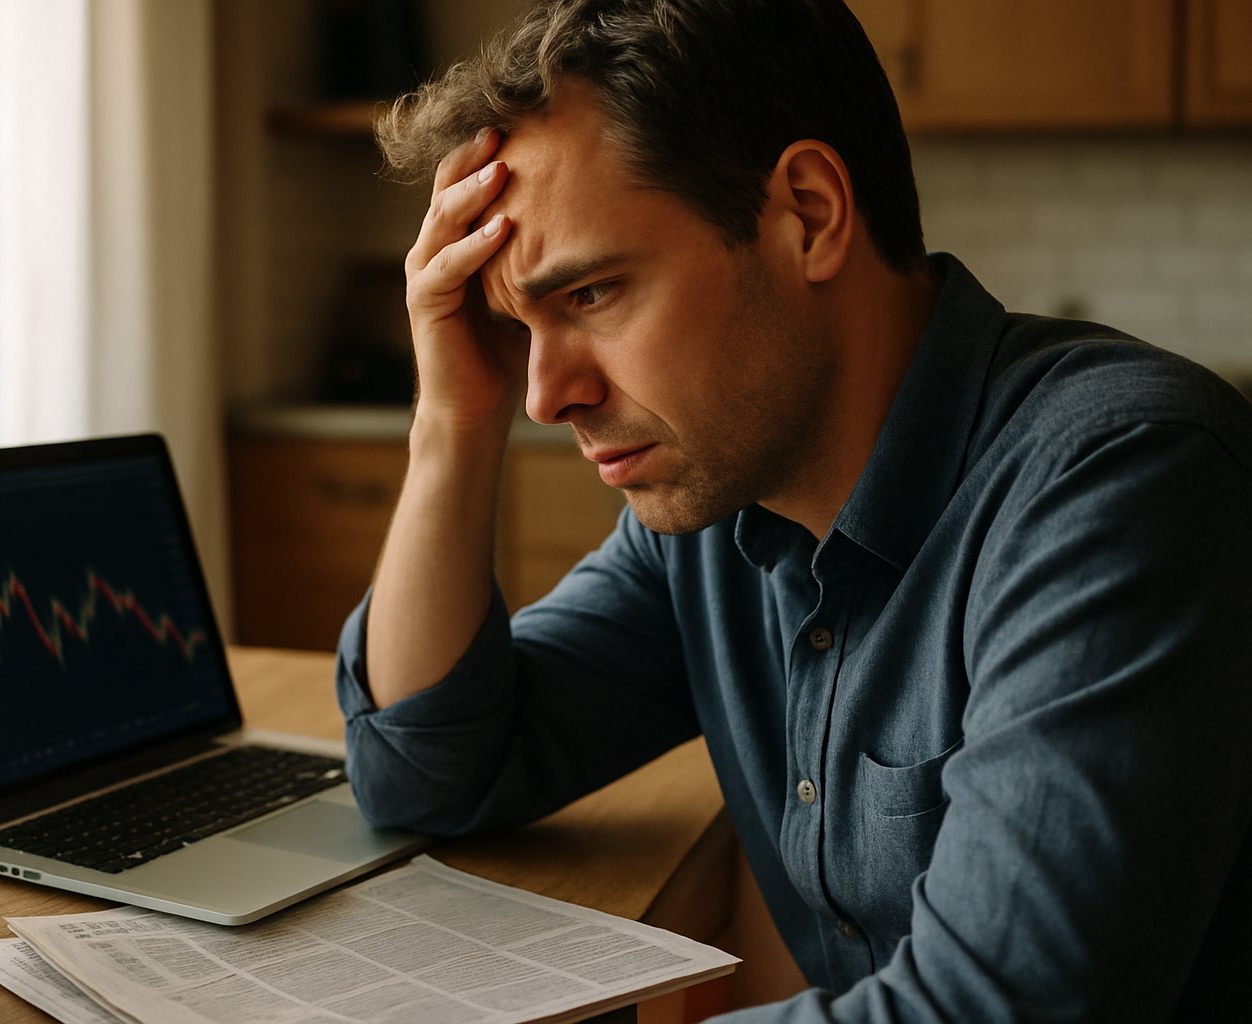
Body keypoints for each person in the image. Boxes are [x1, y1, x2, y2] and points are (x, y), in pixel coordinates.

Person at [332, 0, 1252, 1019]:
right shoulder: (719, 513)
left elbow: (999, 1007)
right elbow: (425, 770)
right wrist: (454, 420)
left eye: (590, 293)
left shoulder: (1119, 477)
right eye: (520, 325)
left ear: (807, 215)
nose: (548, 397)